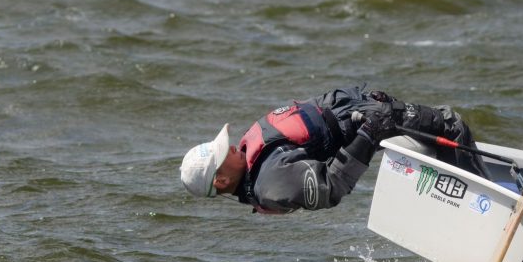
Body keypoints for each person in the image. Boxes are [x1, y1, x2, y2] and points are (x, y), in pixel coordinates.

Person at [180, 86, 489, 214]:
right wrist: (370, 132)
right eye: (224, 153)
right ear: (220, 181)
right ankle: (482, 207)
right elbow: (331, 187)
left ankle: (462, 196)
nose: (232, 146)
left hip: (358, 111)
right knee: (451, 125)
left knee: (435, 134)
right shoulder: (272, 183)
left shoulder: (255, 160)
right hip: (366, 125)